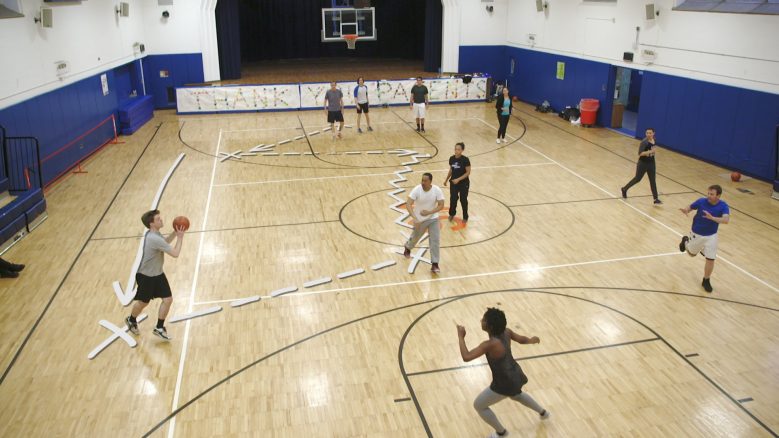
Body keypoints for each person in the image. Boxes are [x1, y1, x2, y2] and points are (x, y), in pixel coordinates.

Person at [457, 308, 549, 438]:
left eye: (483, 320)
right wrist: (531, 340)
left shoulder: (489, 344)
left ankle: (501, 433)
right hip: (515, 374)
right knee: (517, 395)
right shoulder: (507, 332)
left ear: (490, 326)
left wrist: (461, 337)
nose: (481, 321)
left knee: (479, 405)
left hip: (504, 382)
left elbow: (466, 357)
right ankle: (543, 413)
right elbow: (521, 339)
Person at [125, 209, 185, 340]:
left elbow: (165, 242)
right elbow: (175, 254)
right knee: (143, 303)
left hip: (157, 274)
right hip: (146, 276)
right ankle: (131, 319)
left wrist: (175, 232)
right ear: (151, 224)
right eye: (158, 219)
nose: (161, 220)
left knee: (168, 299)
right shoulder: (153, 238)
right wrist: (180, 238)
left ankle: (159, 327)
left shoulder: (154, 233)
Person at [678, 184, 730, 293]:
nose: (709, 196)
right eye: (708, 193)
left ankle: (706, 280)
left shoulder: (723, 206)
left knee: (711, 258)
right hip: (697, 233)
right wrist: (686, 210)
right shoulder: (702, 201)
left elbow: (726, 220)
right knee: (691, 254)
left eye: (712, 194)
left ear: (718, 196)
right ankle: (685, 241)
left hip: (711, 236)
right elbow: (691, 206)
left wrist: (713, 218)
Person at [402, 172, 444, 273]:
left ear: (430, 181)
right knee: (415, 237)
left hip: (433, 218)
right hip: (419, 219)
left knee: (435, 240)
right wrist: (415, 218)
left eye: (425, 180)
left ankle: (435, 264)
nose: (423, 182)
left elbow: (441, 205)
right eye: (422, 180)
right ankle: (408, 247)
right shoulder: (417, 189)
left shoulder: (437, 190)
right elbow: (408, 204)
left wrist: (430, 212)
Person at [621, 128, 662, 204]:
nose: (648, 134)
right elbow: (640, 153)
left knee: (653, 181)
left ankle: (655, 199)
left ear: (653, 133)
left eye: (650, 133)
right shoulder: (644, 142)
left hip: (652, 163)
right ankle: (624, 189)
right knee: (637, 179)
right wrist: (650, 151)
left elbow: (653, 150)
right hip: (643, 163)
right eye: (647, 133)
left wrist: (652, 153)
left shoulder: (654, 140)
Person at [444, 142, 471, 224]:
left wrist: (458, 179)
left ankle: (465, 216)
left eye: (458, 149)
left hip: (464, 183)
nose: (456, 151)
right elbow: (451, 170)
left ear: (462, 150)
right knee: (453, 199)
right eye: (455, 149)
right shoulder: (451, 158)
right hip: (453, 183)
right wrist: (446, 179)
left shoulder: (465, 160)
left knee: (463, 200)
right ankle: (452, 214)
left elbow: (468, 172)